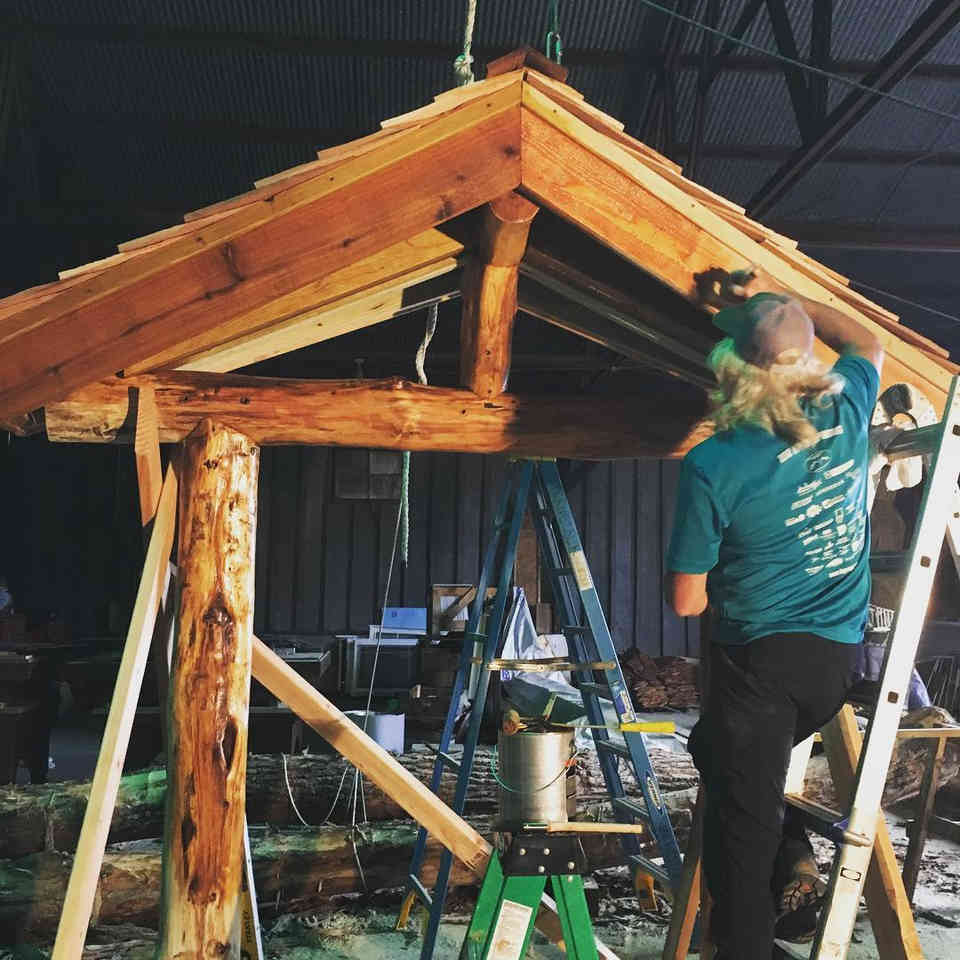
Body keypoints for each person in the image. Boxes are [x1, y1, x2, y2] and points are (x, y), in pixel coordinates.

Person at [666, 266, 883, 960]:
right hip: (836, 664)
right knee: (714, 754)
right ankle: (796, 860)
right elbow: (869, 340)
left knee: (740, 840)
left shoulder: (714, 462)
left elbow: (687, 600)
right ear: (808, 358)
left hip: (758, 671)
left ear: (737, 370)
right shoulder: (848, 410)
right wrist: (793, 301)